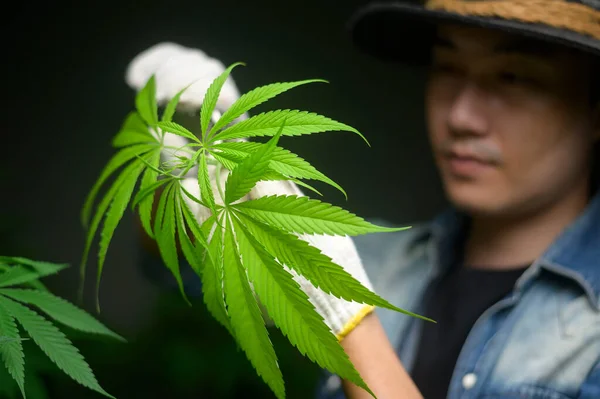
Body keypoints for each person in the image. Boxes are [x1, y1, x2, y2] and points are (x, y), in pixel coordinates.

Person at [126, 0, 600, 398]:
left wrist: (348, 320)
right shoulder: (379, 258)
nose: (461, 115)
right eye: (448, 67)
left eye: (513, 77)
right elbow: (182, 265)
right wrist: (181, 163)